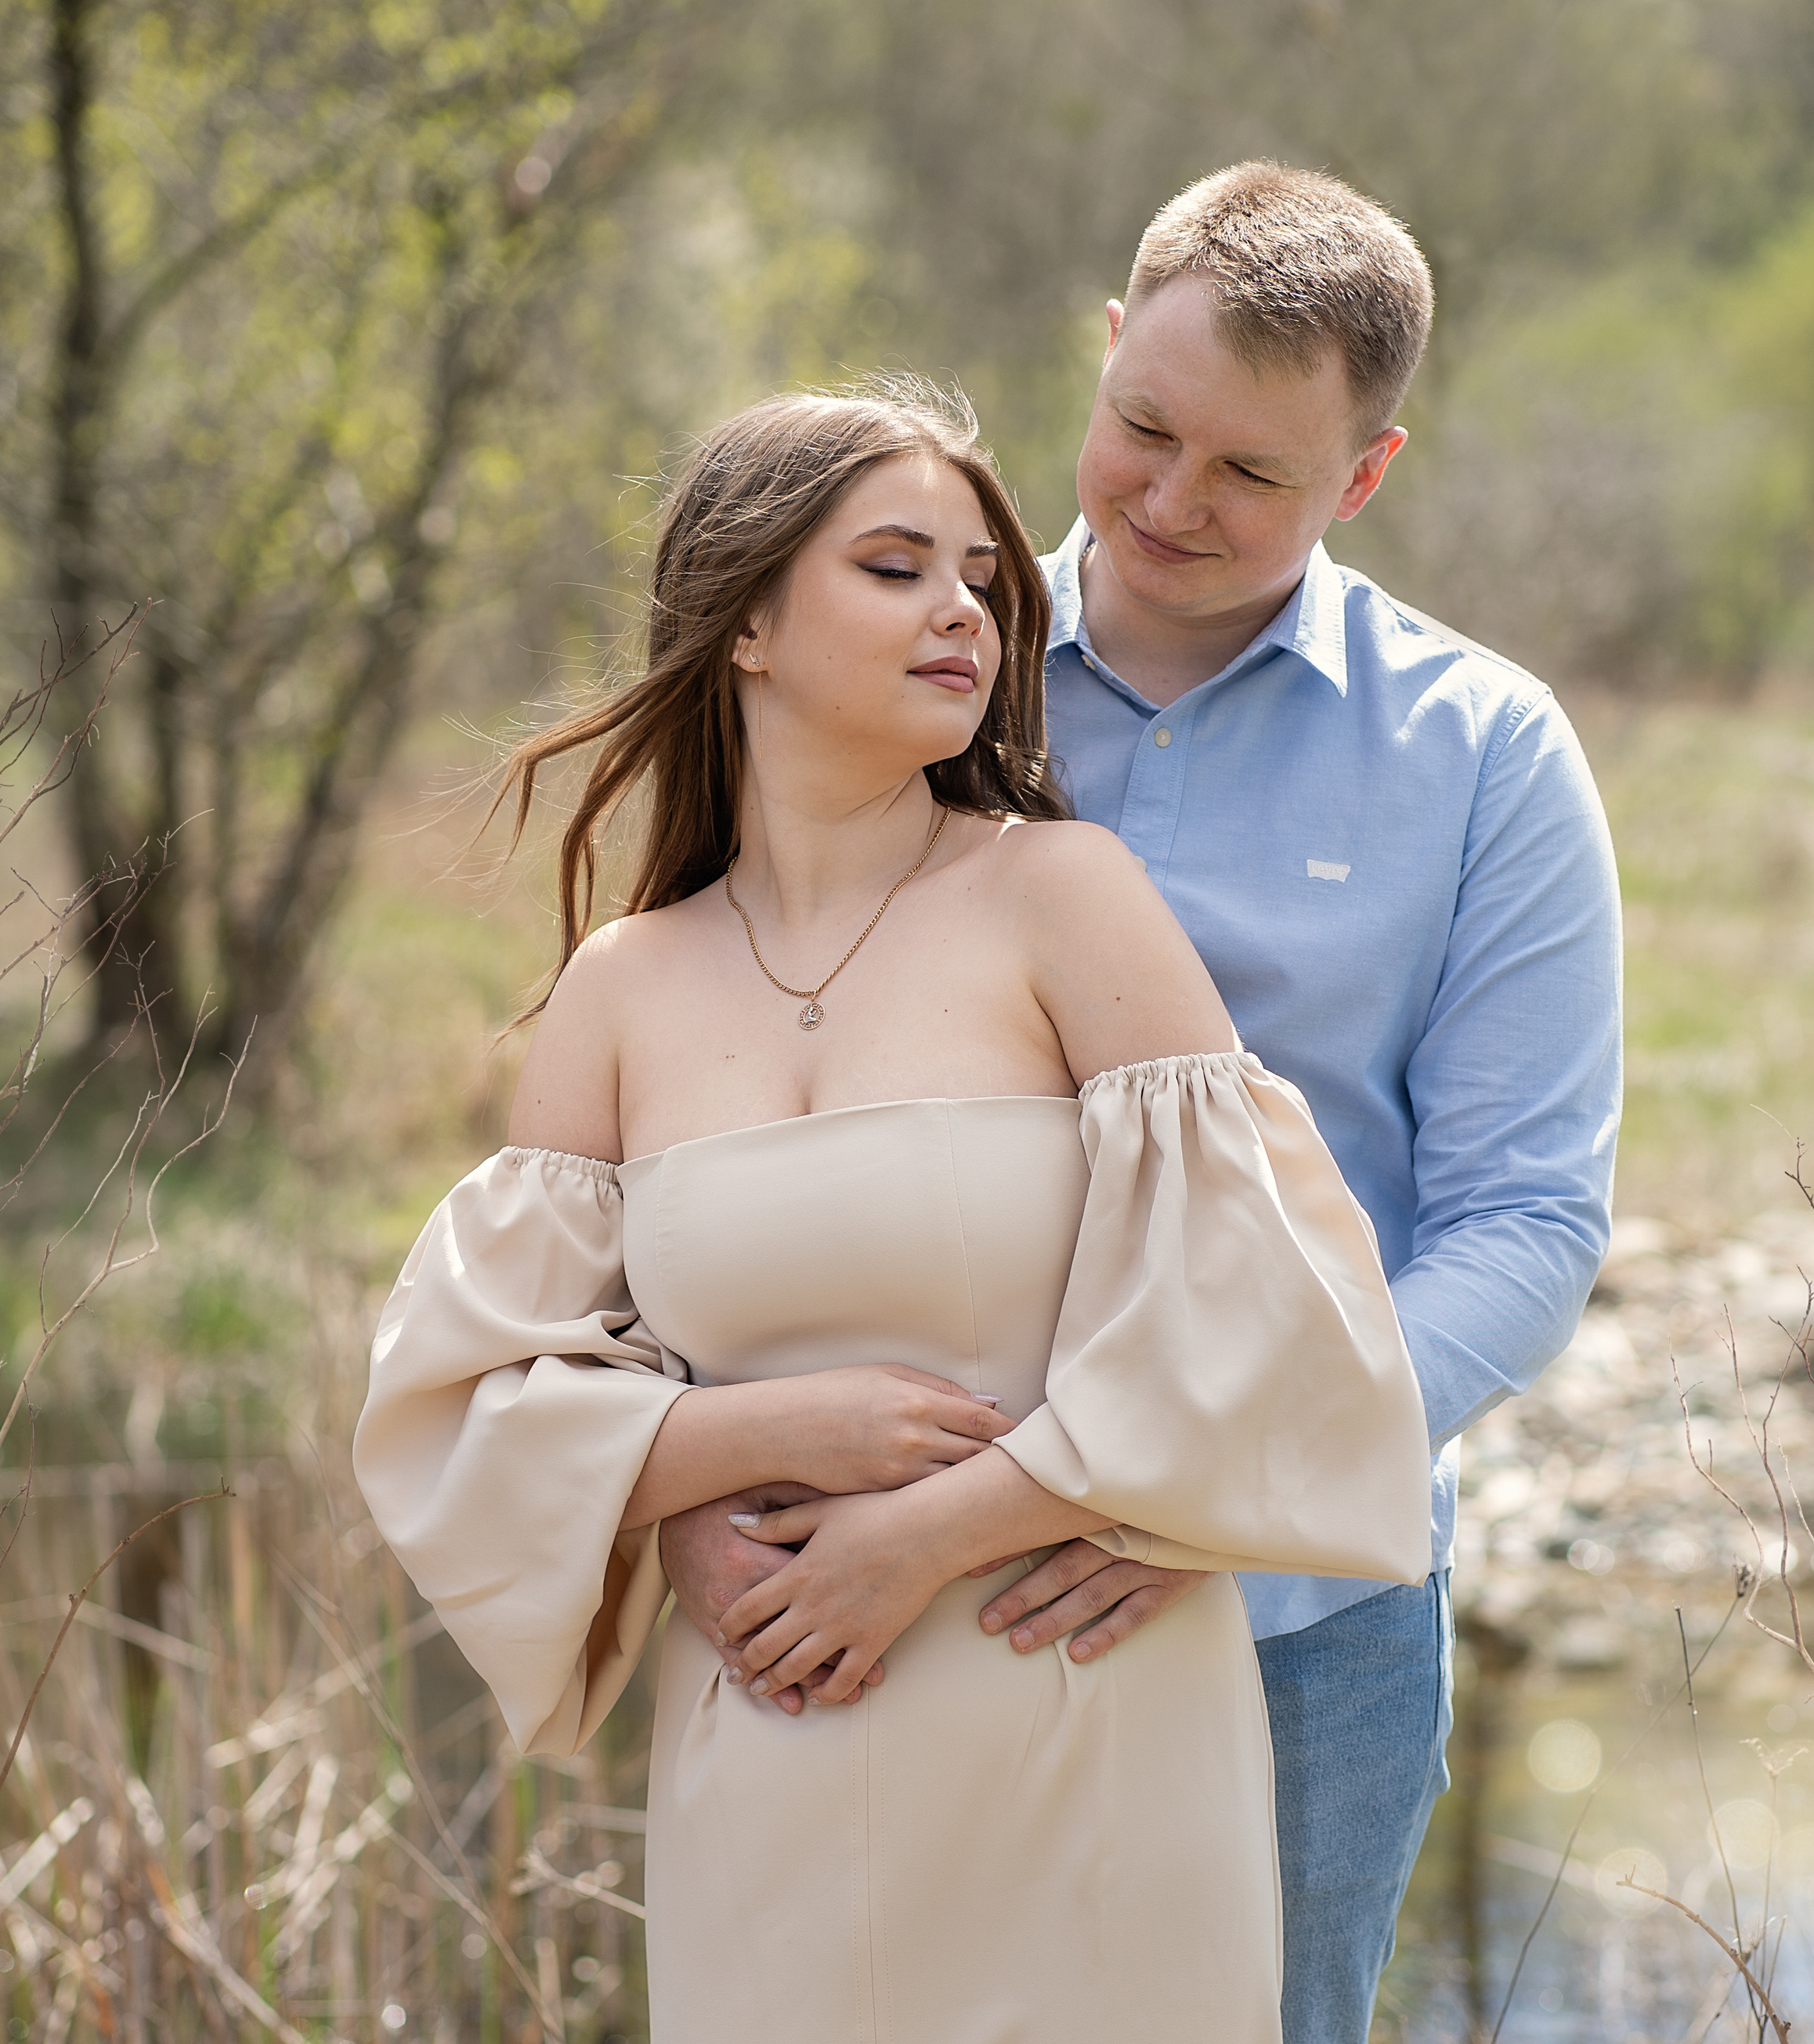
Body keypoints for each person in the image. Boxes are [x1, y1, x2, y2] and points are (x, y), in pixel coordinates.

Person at [658, 165, 1624, 2042]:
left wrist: (1209, 1485)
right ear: (1100, 356)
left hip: (1290, 1630)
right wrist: (677, 1490)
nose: (1173, 502)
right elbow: (691, 1100)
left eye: (1253, 474)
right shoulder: (898, 658)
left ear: (1364, 474)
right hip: (876, 1587)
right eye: (1142, 428)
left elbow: (1522, 1226)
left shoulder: (1484, 755)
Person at [355, 379, 1432, 2040]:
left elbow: (1278, 1317)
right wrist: (724, 1463)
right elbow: (472, 1405)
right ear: (746, 627)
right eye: (895, 568)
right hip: (772, 1726)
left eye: (983, 581)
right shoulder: (618, 991)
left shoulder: (1060, 898)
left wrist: (931, 1525)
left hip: (1080, 1718)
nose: (966, 614)